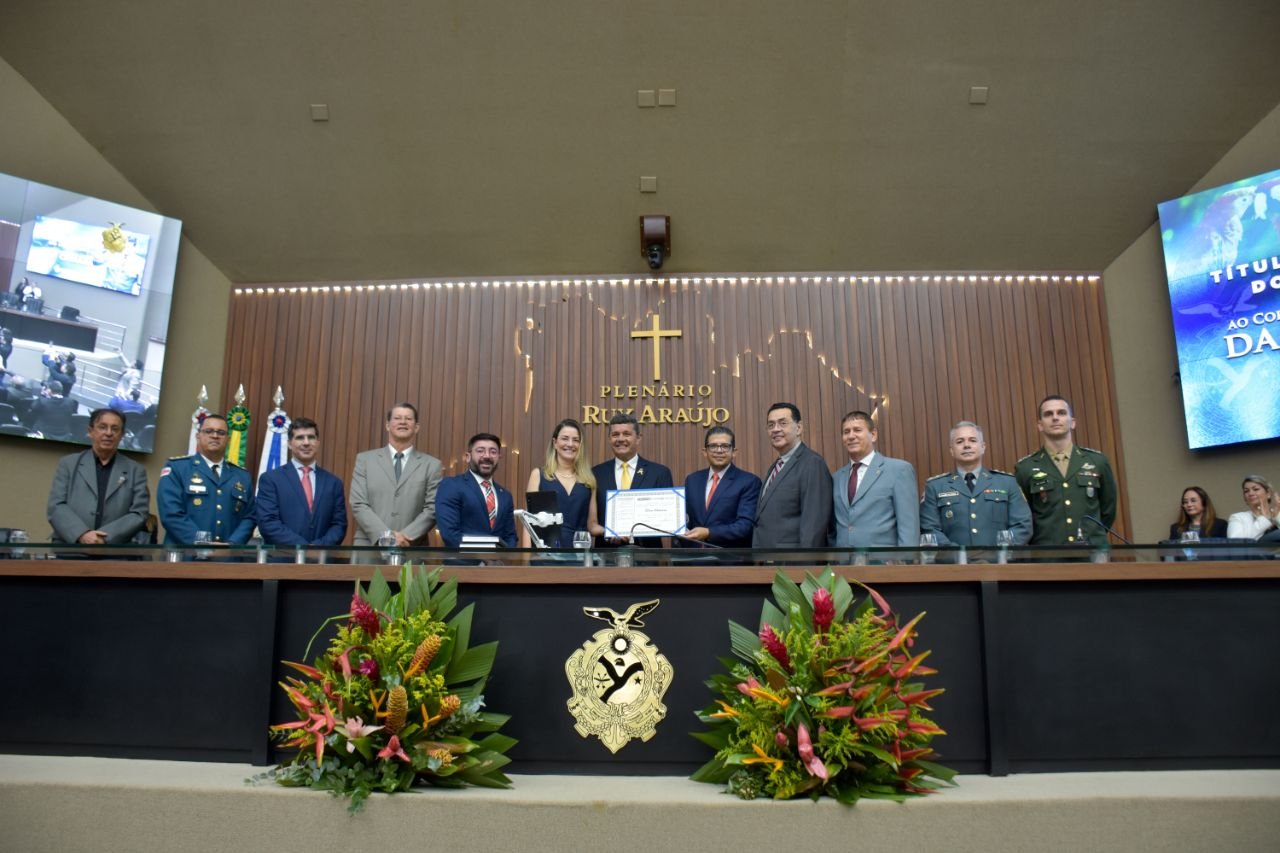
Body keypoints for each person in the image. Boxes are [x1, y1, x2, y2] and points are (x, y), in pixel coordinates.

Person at [1014, 395, 1119, 547]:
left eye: (1061, 413)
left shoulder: (1097, 461)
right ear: (1040, 425)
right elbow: (1024, 516)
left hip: (1092, 552)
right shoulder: (1025, 467)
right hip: (1048, 555)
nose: (1055, 418)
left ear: (1073, 422)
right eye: (1048, 414)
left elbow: (1108, 510)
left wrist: (1091, 534)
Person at [46, 407, 149, 544]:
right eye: (102, 427)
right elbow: (56, 506)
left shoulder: (136, 470)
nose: (108, 433)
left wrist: (104, 537)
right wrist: (82, 534)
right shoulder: (68, 464)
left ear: (122, 434)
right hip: (70, 548)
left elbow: (139, 513)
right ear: (90, 431)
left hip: (114, 552)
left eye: (115, 429)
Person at [920, 420, 1032, 547]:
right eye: (960, 441)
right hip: (954, 565)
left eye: (972, 440)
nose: (966, 445)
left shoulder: (1007, 483)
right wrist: (958, 555)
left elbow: (1022, 526)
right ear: (951, 450)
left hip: (999, 564)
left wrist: (996, 554)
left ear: (983, 447)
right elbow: (930, 529)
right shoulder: (935, 486)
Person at [349, 402, 443, 547]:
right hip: (369, 546)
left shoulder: (432, 465)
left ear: (416, 427)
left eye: (408, 419)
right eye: (397, 418)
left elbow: (432, 508)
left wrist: (404, 537)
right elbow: (358, 503)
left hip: (412, 545)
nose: (403, 422)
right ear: (387, 425)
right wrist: (386, 536)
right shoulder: (365, 460)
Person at [157, 413, 255, 544]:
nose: (215, 436)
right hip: (185, 556)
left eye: (221, 432)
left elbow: (250, 517)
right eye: (208, 431)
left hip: (228, 557)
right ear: (198, 436)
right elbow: (171, 513)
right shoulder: (177, 468)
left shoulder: (242, 475)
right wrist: (202, 544)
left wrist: (233, 544)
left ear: (228, 439)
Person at [254, 417, 349, 547]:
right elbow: (268, 523)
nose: (306, 443)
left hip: (321, 561)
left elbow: (339, 525)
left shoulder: (333, 483)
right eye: (299, 438)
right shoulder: (271, 479)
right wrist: (302, 548)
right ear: (289, 443)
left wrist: (318, 548)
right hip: (283, 560)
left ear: (318, 442)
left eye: (311, 437)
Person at [832, 410, 918, 548]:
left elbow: (909, 527)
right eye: (846, 432)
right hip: (844, 565)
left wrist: (905, 563)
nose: (851, 436)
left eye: (857, 430)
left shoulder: (899, 470)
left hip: (884, 565)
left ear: (873, 435)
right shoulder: (837, 477)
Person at [752, 402, 833, 548]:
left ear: (799, 428)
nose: (776, 429)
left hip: (792, 565)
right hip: (769, 561)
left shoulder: (812, 463)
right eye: (771, 425)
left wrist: (804, 567)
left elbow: (814, 525)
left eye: (782, 423)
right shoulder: (777, 465)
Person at [590, 412, 673, 545]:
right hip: (606, 557)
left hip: (647, 557)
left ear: (638, 438)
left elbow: (668, 519)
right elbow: (591, 521)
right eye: (615, 434)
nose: (620, 439)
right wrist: (608, 532)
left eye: (626, 434)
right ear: (609, 439)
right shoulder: (595, 474)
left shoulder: (659, 473)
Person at [523, 418, 598, 548]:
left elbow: (592, 525)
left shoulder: (589, 480)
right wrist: (527, 560)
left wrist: (615, 532)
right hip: (545, 556)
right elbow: (528, 523)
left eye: (576, 440)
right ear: (555, 443)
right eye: (565, 438)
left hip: (579, 556)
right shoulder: (539, 475)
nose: (570, 444)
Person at [683, 426, 761, 549]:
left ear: (734, 452)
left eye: (725, 446)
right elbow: (686, 518)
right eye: (713, 446)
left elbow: (744, 526)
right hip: (693, 560)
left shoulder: (749, 482)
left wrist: (708, 532)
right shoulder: (692, 480)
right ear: (705, 452)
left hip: (729, 561)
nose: (719, 450)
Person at [436, 433, 518, 547]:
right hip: (463, 564)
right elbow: (450, 534)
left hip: (498, 564)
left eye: (493, 452)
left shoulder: (505, 496)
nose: (487, 456)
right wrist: (482, 560)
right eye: (480, 451)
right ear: (468, 456)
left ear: (499, 457)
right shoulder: (451, 486)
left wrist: (499, 561)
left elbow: (510, 537)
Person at [1225, 475, 1280, 540]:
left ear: (1268, 493)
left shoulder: (1278, 514)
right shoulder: (1238, 517)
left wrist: (1276, 517)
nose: (1251, 493)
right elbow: (1235, 542)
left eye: (1255, 489)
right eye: (1246, 491)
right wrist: (1264, 519)